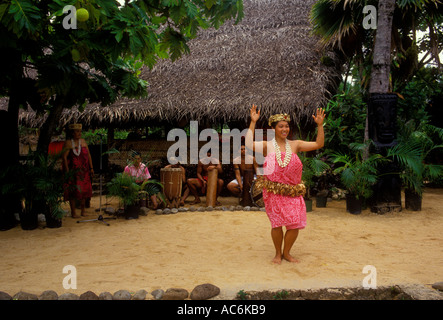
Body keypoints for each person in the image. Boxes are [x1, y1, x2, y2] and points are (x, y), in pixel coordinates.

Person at [246, 104, 325, 264]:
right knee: (277, 224)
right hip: (273, 192)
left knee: (294, 224)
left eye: (287, 126)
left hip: (293, 192)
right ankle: (277, 254)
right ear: (274, 128)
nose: (285, 129)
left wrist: (320, 125)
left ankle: (287, 253)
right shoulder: (267, 145)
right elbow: (248, 144)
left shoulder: (295, 144)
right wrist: (253, 122)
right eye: (281, 126)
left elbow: (318, 144)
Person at [62, 123, 94, 218]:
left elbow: (88, 155)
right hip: (73, 171)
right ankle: (73, 212)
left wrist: (91, 168)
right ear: (72, 133)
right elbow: (64, 157)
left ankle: (83, 210)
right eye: (77, 131)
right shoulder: (68, 143)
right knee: (73, 191)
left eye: (80, 131)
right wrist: (67, 171)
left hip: (84, 171)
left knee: (84, 191)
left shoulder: (83, 141)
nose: (79, 133)